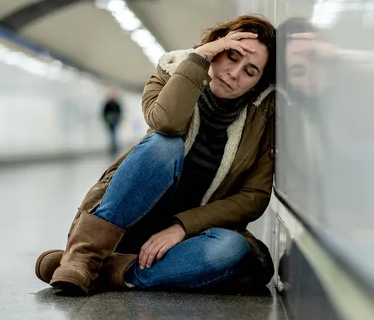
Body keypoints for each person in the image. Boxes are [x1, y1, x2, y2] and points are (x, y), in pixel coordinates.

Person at [35, 15, 277, 295]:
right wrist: (198, 59)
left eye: (250, 71)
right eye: (231, 57)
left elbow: (254, 197)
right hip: (127, 226)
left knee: (230, 248)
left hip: (187, 240)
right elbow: (167, 123)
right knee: (165, 145)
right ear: (216, 47)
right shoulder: (170, 72)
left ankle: (110, 272)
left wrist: (182, 228)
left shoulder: (263, 117)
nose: (234, 73)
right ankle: (84, 257)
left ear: (258, 83)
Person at [101, 89, 123, 155]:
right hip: (110, 122)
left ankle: (114, 148)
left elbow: (119, 112)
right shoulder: (108, 104)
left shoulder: (116, 104)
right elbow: (104, 113)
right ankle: (113, 148)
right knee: (112, 135)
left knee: (114, 135)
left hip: (115, 121)